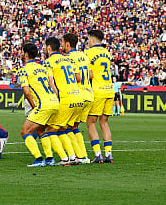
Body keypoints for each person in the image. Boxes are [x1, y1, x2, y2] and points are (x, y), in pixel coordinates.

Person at [43, 36, 85, 165]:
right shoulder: (68, 60)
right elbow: (78, 78)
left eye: (45, 47)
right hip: (78, 97)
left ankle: (65, 158)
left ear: (49, 48)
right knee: (65, 128)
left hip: (66, 98)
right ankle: (76, 157)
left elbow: (51, 82)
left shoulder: (49, 62)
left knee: (51, 130)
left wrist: (57, 96)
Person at [17, 42, 60, 167]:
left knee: (25, 131)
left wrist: (35, 107)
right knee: (41, 130)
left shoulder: (24, 70)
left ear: (25, 54)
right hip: (53, 101)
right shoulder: (42, 67)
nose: (20, 54)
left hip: (43, 104)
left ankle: (39, 159)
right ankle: (50, 158)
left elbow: (26, 91)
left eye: (21, 51)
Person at [62, 33, 92, 163]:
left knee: (65, 127)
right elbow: (90, 75)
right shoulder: (83, 55)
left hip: (77, 95)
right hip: (89, 95)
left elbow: (77, 77)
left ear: (67, 44)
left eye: (62, 43)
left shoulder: (69, 58)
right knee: (74, 127)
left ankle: (76, 156)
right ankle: (83, 156)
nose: (62, 45)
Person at [86, 29, 115, 163]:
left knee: (91, 122)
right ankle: (108, 154)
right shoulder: (106, 53)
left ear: (92, 40)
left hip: (97, 91)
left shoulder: (88, 53)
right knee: (104, 122)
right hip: (109, 89)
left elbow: (90, 74)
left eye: (88, 39)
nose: (87, 42)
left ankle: (98, 154)